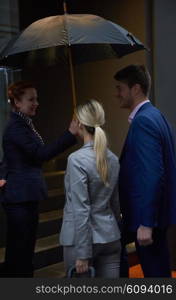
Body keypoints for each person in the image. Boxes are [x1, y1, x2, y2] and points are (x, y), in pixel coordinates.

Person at [0, 80, 79, 277]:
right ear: (17, 102)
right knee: (20, 252)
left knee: (25, 250)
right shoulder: (17, 127)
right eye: (31, 99)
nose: (36, 103)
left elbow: (12, 157)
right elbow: (40, 155)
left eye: (36, 98)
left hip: (25, 195)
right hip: (20, 197)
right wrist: (70, 134)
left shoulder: (24, 124)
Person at [114, 64, 176, 277]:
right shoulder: (157, 116)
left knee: (155, 275)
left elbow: (152, 174)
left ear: (136, 89)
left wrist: (146, 223)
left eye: (120, 88)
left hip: (150, 218)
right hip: (159, 216)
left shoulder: (143, 122)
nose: (117, 94)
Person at [60, 99, 121, 278]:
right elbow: (115, 203)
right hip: (110, 237)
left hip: (81, 242)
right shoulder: (113, 159)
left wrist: (83, 254)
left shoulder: (76, 159)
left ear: (79, 123)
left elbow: (81, 209)